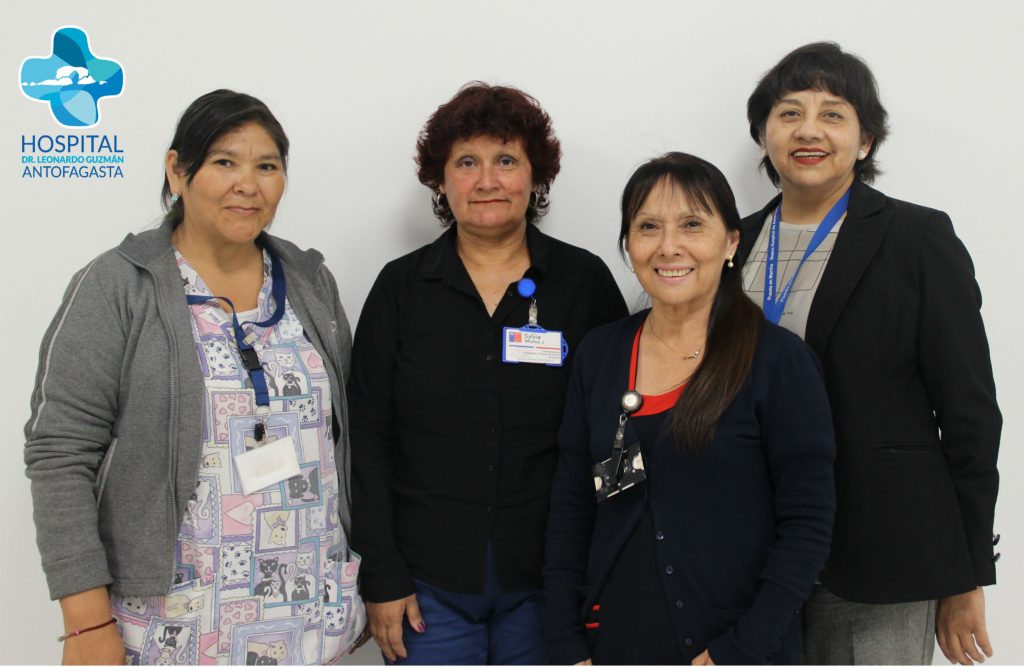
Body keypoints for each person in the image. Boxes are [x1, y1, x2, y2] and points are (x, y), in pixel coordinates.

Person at [24, 89, 366, 665]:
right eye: (225, 162)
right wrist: (86, 624)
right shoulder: (118, 286)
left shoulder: (309, 281)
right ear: (177, 171)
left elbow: (345, 437)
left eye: (267, 167)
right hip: (173, 626)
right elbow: (59, 454)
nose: (248, 185)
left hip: (309, 618)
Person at [738, 42, 1001, 666]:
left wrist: (966, 572)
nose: (808, 130)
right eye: (789, 112)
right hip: (750, 550)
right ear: (764, 135)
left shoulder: (917, 238)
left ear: (865, 141)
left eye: (832, 114)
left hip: (882, 554)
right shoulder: (731, 242)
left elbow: (969, 413)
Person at [349, 82, 628, 665]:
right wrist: (382, 572)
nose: (486, 181)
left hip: (552, 580)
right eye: (466, 162)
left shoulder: (584, 284)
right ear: (440, 179)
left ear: (535, 175)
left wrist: (606, 569)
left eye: (506, 160)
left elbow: (616, 432)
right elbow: (368, 438)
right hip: (426, 583)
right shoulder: (401, 289)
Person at [543, 152, 836, 665]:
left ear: (731, 242)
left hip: (735, 649)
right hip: (614, 644)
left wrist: (740, 650)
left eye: (692, 225)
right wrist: (566, 642)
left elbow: (807, 525)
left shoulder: (779, 361)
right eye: (648, 226)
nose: (668, 246)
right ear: (628, 244)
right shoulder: (600, 354)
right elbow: (571, 507)